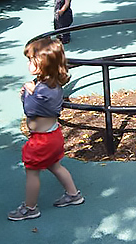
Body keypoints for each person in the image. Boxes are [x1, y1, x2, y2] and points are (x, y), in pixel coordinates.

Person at [8, 38, 84, 221]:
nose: (28, 64)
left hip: (41, 140)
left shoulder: (41, 90)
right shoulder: (51, 82)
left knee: (32, 172)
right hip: (53, 134)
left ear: (43, 63)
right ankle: (74, 195)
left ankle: (30, 208)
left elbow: (30, 110)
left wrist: (27, 93)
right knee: (54, 165)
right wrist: (30, 92)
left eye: (31, 60)